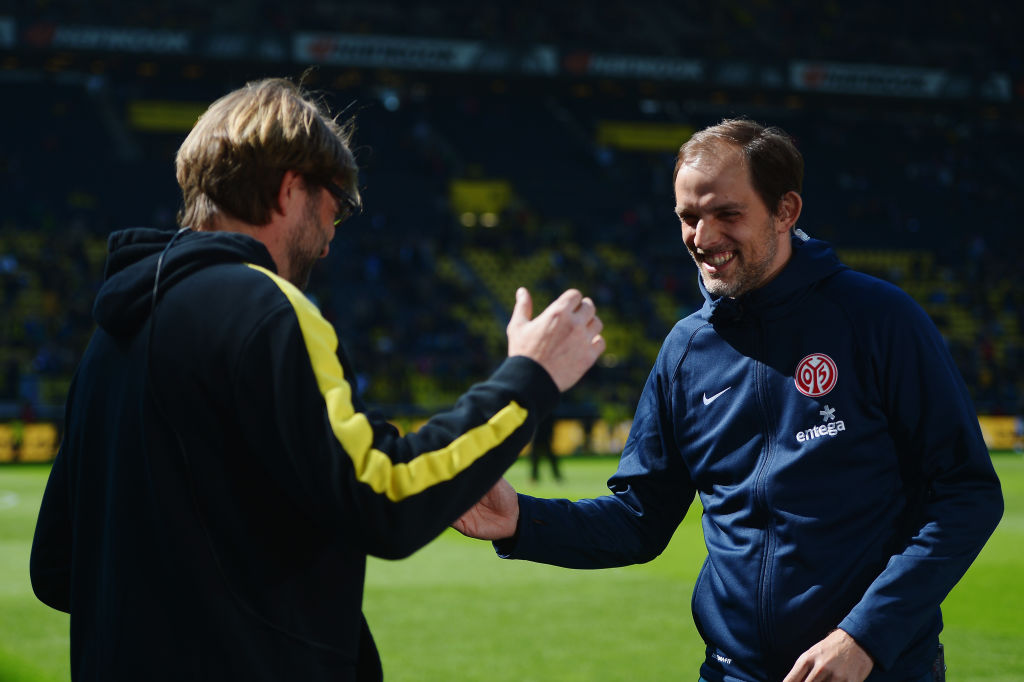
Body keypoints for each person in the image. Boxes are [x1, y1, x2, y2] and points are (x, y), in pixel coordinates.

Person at [29, 77, 605, 681]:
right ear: (289, 189)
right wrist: (528, 379)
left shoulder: (112, 331)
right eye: (337, 207)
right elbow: (384, 495)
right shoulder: (266, 308)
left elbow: (58, 567)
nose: (331, 240)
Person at [455, 118, 1004, 682]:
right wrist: (521, 519)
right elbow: (639, 520)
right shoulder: (686, 352)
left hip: (878, 670)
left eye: (727, 214)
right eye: (689, 218)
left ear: (786, 211)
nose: (703, 236)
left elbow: (967, 495)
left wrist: (865, 635)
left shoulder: (878, 320)